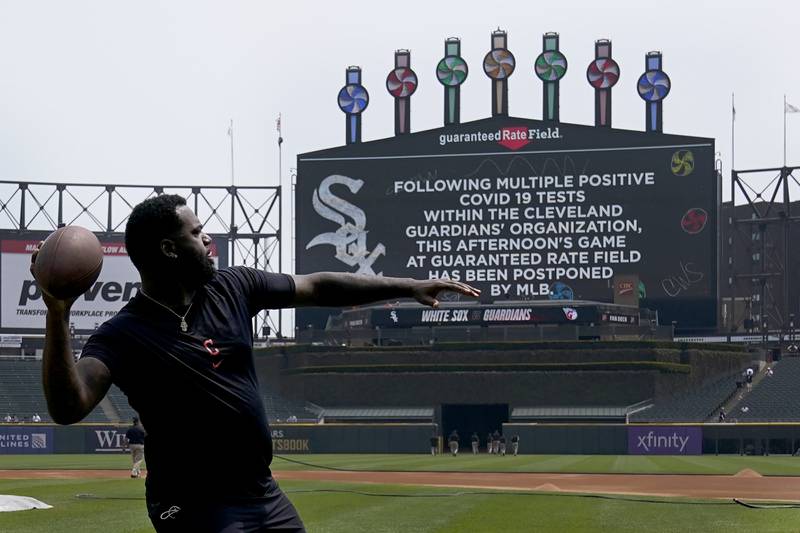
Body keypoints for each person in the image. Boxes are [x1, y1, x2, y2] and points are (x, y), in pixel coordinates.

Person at [33, 194, 480, 533]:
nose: (209, 239)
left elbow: (319, 286)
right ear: (169, 249)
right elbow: (68, 407)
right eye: (197, 232)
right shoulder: (122, 334)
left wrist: (407, 286)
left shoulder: (234, 286)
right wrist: (58, 311)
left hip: (261, 491)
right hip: (191, 503)